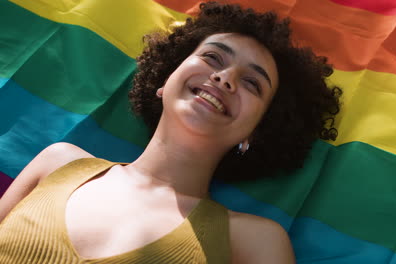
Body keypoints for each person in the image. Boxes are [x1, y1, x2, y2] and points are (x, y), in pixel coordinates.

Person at [0, 2, 341, 263]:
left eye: (252, 83)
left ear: (257, 130)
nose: (225, 78)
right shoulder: (58, 162)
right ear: (165, 79)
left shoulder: (253, 240)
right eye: (212, 57)